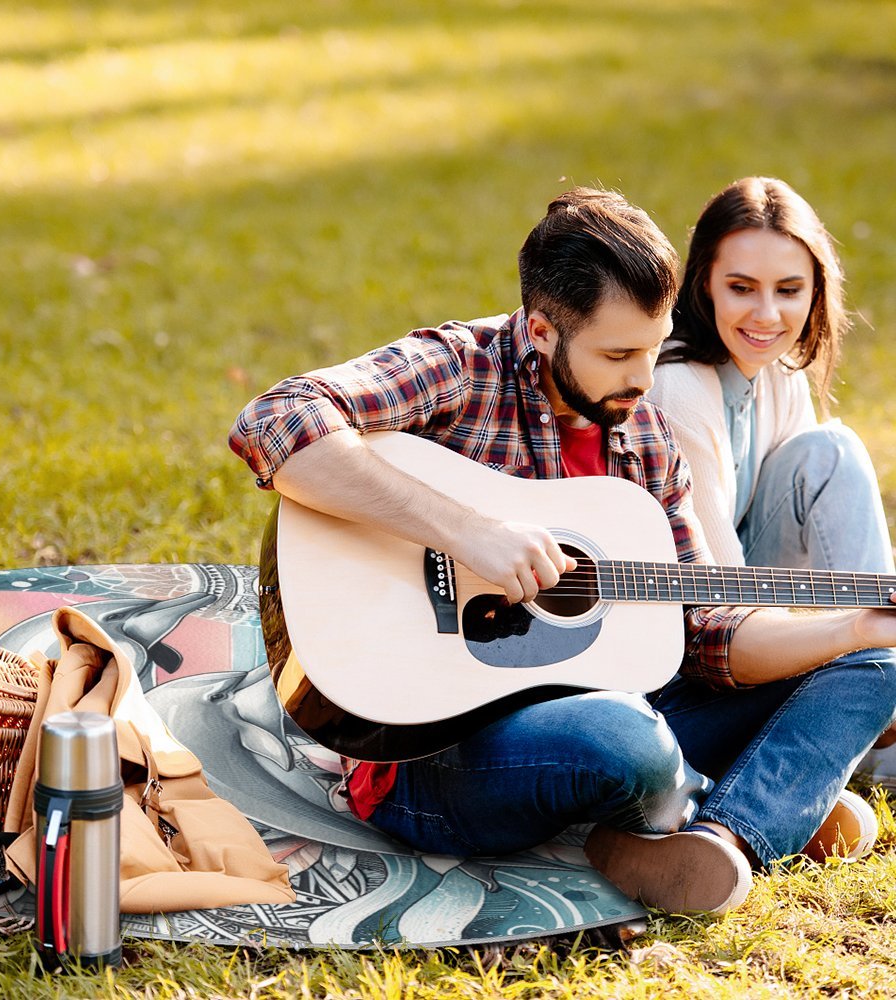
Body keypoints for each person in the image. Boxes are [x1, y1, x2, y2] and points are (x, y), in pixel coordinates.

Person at [229, 187, 896, 916]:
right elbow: (276, 419)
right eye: (618, 354)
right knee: (625, 741)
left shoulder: (644, 436)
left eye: (653, 346)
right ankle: (754, 796)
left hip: (623, 708)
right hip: (431, 753)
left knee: (876, 664)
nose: (644, 380)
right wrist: (465, 531)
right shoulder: (460, 367)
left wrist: (852, 628)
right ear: (542, 330)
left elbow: (705, 629)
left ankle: (726, 837)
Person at [649, 176, 896, 790]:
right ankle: (873, 719)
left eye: (789, 290)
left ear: (816, 292)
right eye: (741, 288)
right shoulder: (679, 385)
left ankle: (875, 693)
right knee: (833, 451)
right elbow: (720, 602)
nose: (767, 315)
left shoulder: (778, 370)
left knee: (827, 451)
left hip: (756, 609)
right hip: (691, 646)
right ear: (703, 281)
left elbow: (817, 537)